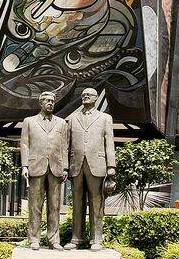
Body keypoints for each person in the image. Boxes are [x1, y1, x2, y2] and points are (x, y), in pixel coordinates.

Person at [64, 88, 115, 252]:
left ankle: (96, 239)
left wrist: (111, 166)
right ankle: (77, 238)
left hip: (97, 165)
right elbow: (66, 144)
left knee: (96, 203)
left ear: (95, 98)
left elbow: (110, 143)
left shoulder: (105, 118)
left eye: (89, 95)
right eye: (83, 95)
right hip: (76, 165)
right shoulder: (72, 118)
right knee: (77, 203)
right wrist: (65, 166)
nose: (85, 96)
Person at [20, 91, 68, 251]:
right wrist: (24, 165)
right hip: (36, 167)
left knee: (54, 206)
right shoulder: (29, 121)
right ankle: (34, 239)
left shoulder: (62, 123)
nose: (50, 103)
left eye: (52, 101)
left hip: (56, 168)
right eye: (47, 100)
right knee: (35, 205)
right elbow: (25, 144)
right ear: (40, 103)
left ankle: (54, 240)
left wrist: (65, 167)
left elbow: (64, 147)